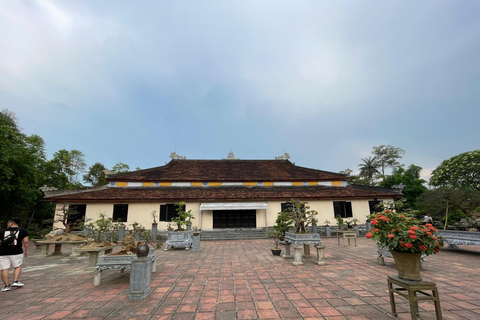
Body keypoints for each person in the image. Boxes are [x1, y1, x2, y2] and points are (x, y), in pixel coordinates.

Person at [0, 217, 29, 292]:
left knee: (4, 268)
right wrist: (26, 250)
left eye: (8, 222)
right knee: (17, 266)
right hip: (17, 251)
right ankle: (15, 281)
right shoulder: (23, 231)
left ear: (11, 222)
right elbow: (26, 241)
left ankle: (6, 286)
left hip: (3, 252)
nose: (7, 224)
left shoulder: (2, 231)